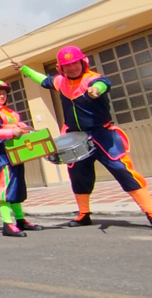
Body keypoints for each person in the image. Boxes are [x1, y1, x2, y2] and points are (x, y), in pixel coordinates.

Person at [13, 47, 152, 227]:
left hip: (102, 135)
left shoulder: (92, 79)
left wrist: (96, 89)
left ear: (82, 62)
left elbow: (105, 83)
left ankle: (149, 210)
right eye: (66, 65)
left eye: (74, 63)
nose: (71, 68)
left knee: (122, 170)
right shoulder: (60, 82)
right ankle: (83, 214)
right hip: (75, 137)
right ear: (60, 68)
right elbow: (44, 80)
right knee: (78, 175)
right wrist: (24, 69)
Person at [0, 79, 44, 236]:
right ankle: (7, 223)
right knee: (6, 187)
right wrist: (10, 132)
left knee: (17, 186)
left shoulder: (11, 113)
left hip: (17, 153)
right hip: (2, 154)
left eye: (3, 94)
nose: (1, 96)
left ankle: (20, 219)